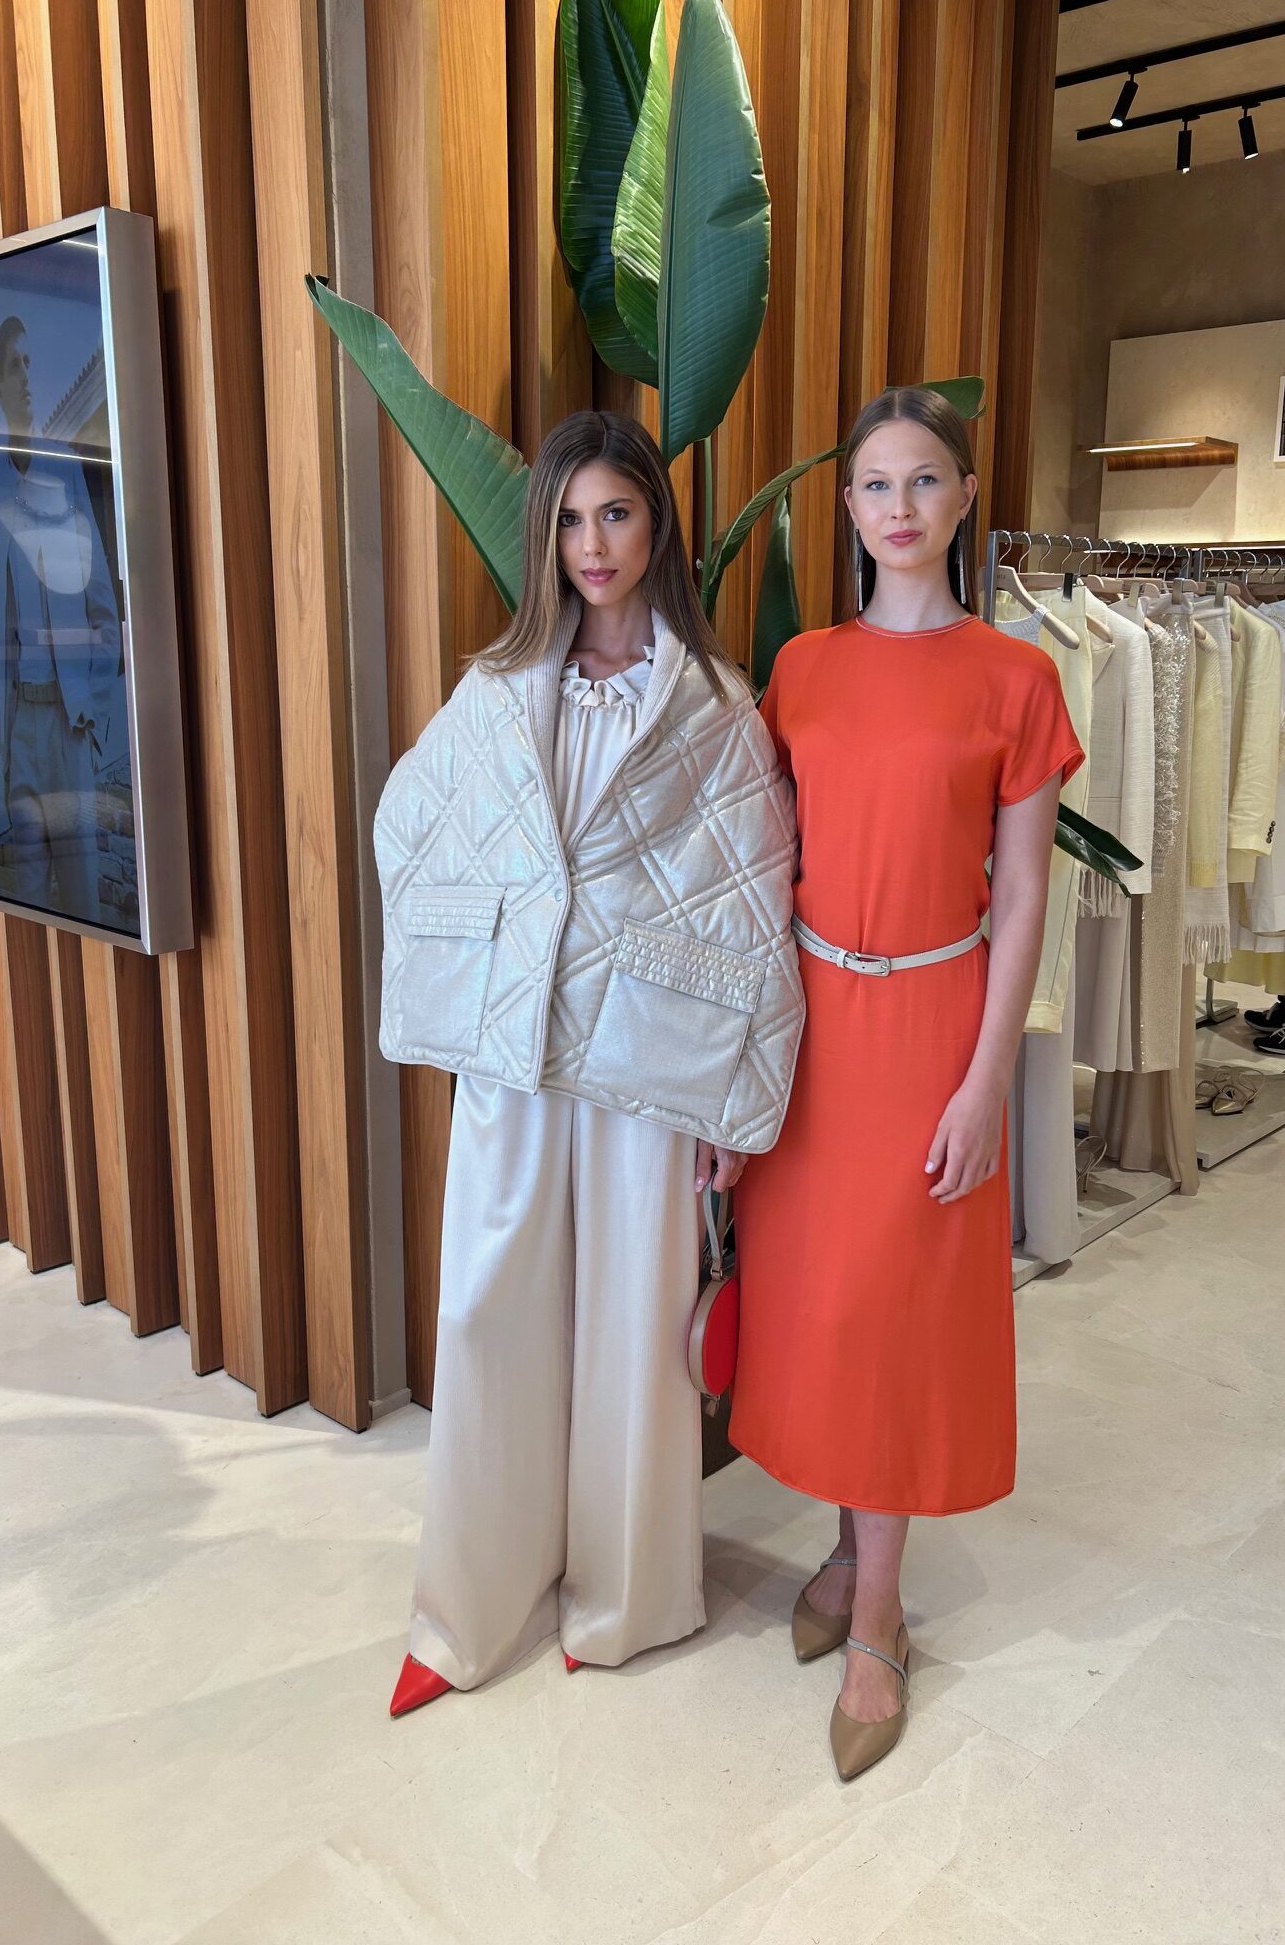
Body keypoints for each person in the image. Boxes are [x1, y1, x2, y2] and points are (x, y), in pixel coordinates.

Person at [374, 410, 804, 1711]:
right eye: (568, 519)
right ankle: (466, 1608)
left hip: (649, 1058)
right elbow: (413, 829)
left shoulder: (715, 703)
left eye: (615, 512)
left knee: (632, 1327)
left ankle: (627, 1594)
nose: (592, 544)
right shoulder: (499, 688)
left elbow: (755, 901)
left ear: (654, 523)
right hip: (514, 1053)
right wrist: (475, 964)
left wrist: (736, 1101)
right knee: (486, 1313)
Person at [729, 386, 1085, 1781]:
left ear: (965, 496)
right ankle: (842, 1557)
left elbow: (1026, 896)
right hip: (810, 1024)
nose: (900, 507)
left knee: (895, 1319)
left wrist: (987, 1078)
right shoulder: (803, 668)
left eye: (925, 480)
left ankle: (878, 1615)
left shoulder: (1015, 679)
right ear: (849, 508)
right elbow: (760, 865)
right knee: (827, 1313)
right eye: (876, 484)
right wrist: (737, 1066)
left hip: (936, 1025)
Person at [0, 316, 121, 925]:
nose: (27, 377)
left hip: (68, 726)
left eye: (31, 362)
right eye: (15, 366)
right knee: (30, 906)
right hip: (21, 735)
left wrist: (92, 708)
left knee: (84, 893)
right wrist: (7, 744)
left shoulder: (64, 481)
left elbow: (104, 614)